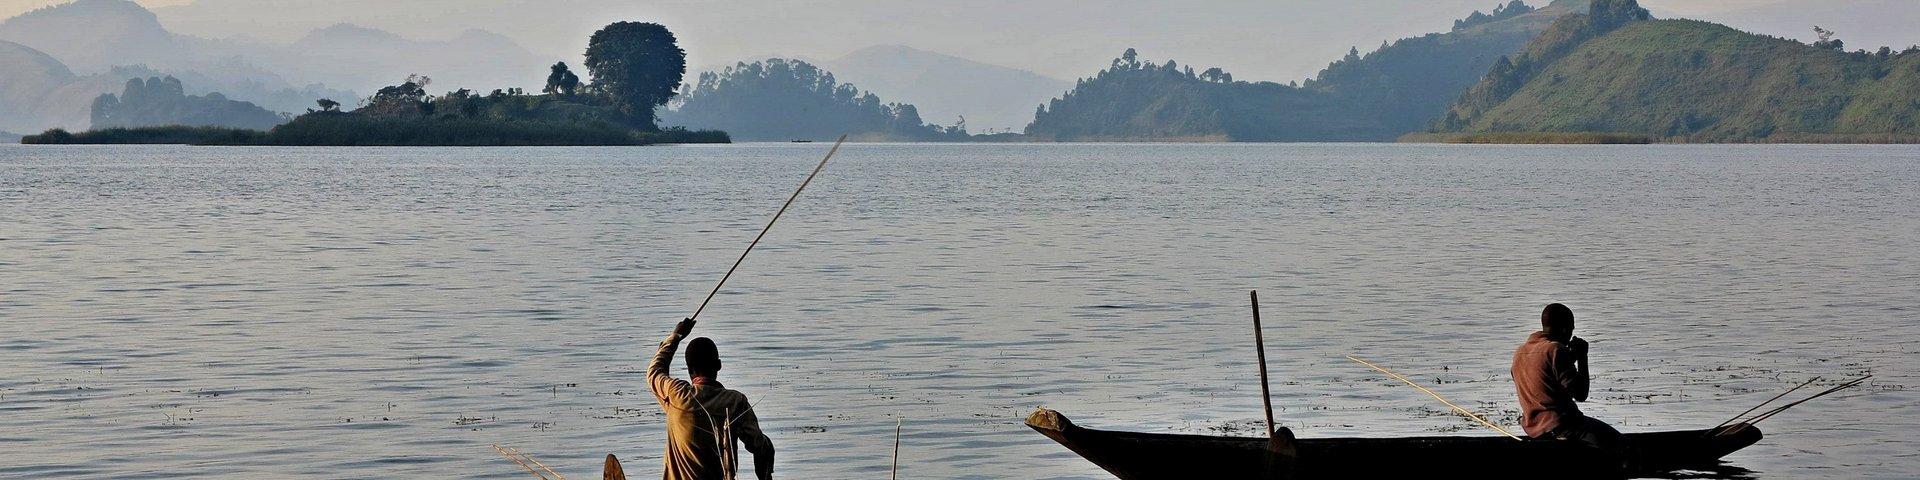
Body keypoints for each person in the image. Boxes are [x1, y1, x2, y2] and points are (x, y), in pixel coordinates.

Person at [649, 318, 774, 480]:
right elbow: (761, 448)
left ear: (689, 370)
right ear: (719, 365)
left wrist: (675, 336)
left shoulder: (677, 395)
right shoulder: (736, 402)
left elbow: (655, 370)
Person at [1510, 303, 1629, 466]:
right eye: (1571, 329)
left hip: (1534, 428)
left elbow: (1546, 377)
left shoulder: (1520, 352)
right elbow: (1580, 394)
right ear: (1566, 330)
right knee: (1625, 448)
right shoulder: (1556, 350)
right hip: (1564, 426)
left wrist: (1569, 359)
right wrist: (1582, 357)